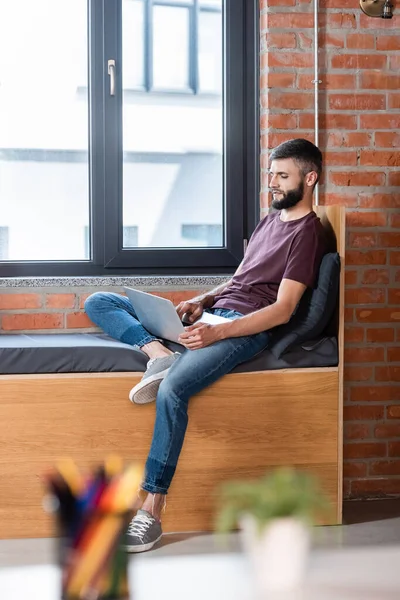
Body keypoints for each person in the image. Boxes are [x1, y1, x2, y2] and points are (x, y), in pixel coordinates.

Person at [84, 138, 327, 553]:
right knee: (100, 301)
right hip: (216, 316)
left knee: (175, 390)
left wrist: (218, 332)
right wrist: (203, 301)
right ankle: (157, 353)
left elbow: (283, 310)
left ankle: (151, 510)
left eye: (282, 176)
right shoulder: (270, 221)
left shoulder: (308, 234)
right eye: (270, 174)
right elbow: (239, 280)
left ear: (310, 178)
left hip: (243, 330)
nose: (272, 183)